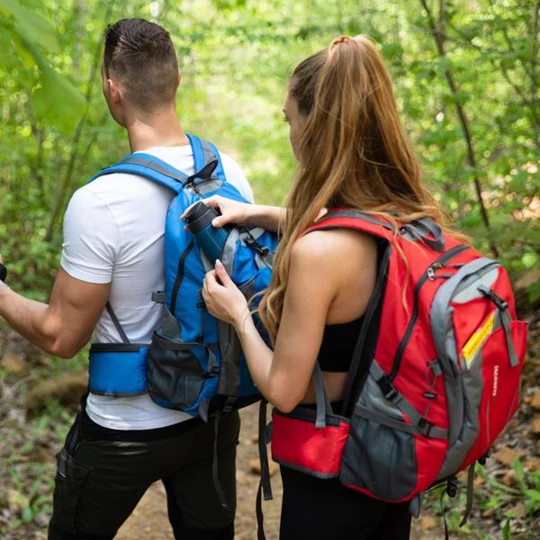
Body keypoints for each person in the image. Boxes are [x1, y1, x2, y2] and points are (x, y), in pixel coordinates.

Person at [200, 35, 464, 540]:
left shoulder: (318, 256)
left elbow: (283, 389)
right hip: (394, 456)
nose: (289, 131)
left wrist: (235, 312)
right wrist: (262, 213)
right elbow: (336, 223)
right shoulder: (411, 219)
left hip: (333, 473)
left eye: (289, 118)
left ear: (315, 127)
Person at [0, 18, 254, 540]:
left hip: (124, 429)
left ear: (112, 91)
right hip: (211, 412)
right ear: (176, 78)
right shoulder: (229, 171)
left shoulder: (99, 201)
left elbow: (60, 335)